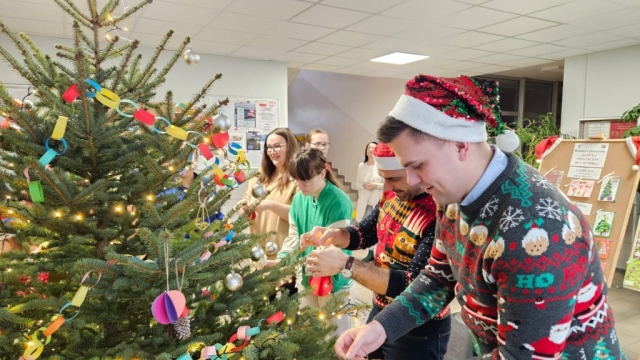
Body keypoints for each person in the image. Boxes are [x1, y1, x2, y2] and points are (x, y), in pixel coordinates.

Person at [334, 75, 622, 360]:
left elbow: (521, 357)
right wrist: (380, 328)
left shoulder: (538, 230)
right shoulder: (451, 195)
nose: (412, 181)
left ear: (460, 144)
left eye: (418, 165)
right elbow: (438, 277)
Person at [303, 143, 451, 360]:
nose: (387, 186)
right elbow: (365, 232)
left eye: (394, 178)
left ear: (415, 172)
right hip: (379, 312)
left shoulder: (438, 214)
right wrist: (335, 234)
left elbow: (412, 284)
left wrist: (347, 264)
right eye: (384, 178)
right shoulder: (392, 196)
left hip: (418, 327)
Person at [274, 148, 354, 335]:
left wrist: (313, 240)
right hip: (309, 278)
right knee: (310, 337)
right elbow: (293, 236)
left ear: (322, 173)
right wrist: (281, 260)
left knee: (336, 338)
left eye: (306, 180)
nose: (301, 186)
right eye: (297, 181)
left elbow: (335, 247)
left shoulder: (338, 202)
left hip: (335, 280)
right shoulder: (299, 200)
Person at [239, 128, 299, 260]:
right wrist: (242, 209)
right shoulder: (259, 175)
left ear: (290, 147)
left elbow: (300, 216)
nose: (272, 152)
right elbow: (246, 200)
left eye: (277, 146)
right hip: (257, 252)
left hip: (283, 255)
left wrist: (270, 205)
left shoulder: (298, 178)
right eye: (269, 147)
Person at [355, 141, 383, 222]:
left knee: (374, 225)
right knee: (361, 224)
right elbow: (357, 184)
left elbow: (386, 185)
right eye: (369, 148)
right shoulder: (361, 166)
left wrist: (376, 185)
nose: (371, 149)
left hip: (376, 201)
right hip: (363, 201)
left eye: (373, 148)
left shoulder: (381, 166)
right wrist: (364, 185)